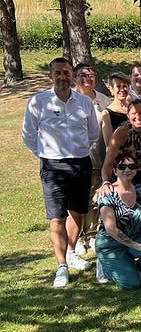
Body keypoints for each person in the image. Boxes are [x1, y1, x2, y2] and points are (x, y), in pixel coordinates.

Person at [22, 57, 100, 287]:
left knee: (77, 211)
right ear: (50, 76)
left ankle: (71, 251)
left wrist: (78, 151)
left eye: (66, 73)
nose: (62, 77)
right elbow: (28, 135)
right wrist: (46, 155)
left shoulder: (84, 102)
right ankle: (61, 266)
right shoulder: (38, 102)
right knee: (57, 216)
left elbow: (93, 134)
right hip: (52, 166)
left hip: (80, 163)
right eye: (58, 73)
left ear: (72, 76)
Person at [95, 151, 141, 289]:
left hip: (134, 237)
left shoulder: (139, 189)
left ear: (136, 170)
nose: (127, 169)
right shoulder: (107, 193)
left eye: (132, 166)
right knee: (132, 284)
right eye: (122, 167)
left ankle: (134, 267)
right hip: (111, 244)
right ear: (115, 170)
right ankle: (105, 267)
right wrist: (138, 246)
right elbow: (111, 229)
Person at [73, 62, 111, 256]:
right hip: (76, 158)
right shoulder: (70, 99)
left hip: (98, 157)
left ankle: (91, 234)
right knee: (77, 199)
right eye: (82, 75)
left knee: (94, 199)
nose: (87, 78)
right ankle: (77, 237)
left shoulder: (103, 100)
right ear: (75, 78)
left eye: (91, 75)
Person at [101, 73, 131, 147]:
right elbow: (109, 144)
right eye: (118, 86)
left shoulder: (133, 108)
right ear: (111, 89)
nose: (122, 90)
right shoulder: (107, 114)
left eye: (124, 86)